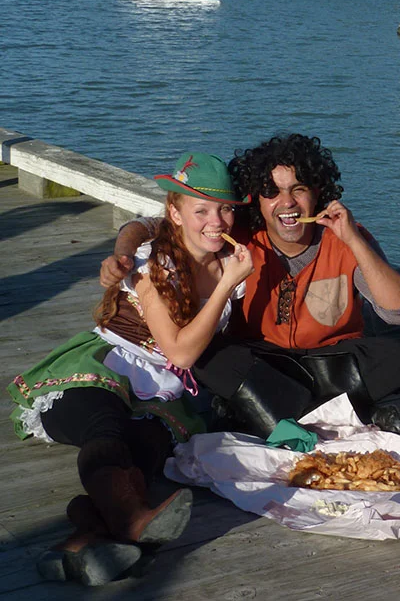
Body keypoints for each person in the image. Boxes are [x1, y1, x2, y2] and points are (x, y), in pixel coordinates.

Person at [7, 152, 254, 586]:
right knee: (106, 425)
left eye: (226, 209)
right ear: (175, 214)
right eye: (202, 210)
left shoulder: (230, 264)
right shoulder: (150, 262)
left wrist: (230, 281)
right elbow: (178, 353)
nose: (217, 221)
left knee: (146, 446)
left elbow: (178, 364)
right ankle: (135, 520)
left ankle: (88, 530)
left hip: (164, 391)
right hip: (106, 365)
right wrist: (226, 287)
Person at [101, 134, 400, 438]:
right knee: (211, 357)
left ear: (318, 192)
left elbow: (398, 312)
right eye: (272, 192)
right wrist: (124, 254)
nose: (287, 203)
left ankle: (263, 411)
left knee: (397, 360)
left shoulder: (346, 236)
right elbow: (150, 225)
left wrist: (353, 240)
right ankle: (339, 413)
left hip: (327, 362)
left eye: (299, 189)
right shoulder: (233, 233)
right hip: (260, 360)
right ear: (257, 200)